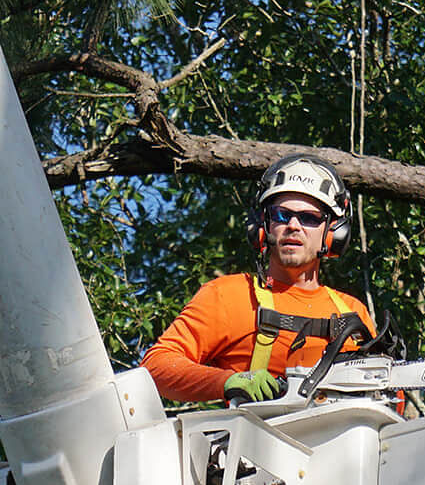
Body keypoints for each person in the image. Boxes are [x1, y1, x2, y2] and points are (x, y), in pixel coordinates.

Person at [143, 155, 375, 404]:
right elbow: (156, 366)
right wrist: (226, 382)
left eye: (309, 218)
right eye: (282, 215)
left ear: (333, 232)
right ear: (263, 225)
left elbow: (391, 396)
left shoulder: (352, 312)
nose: (294, 226)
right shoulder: (229, 294)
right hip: (256, 438)